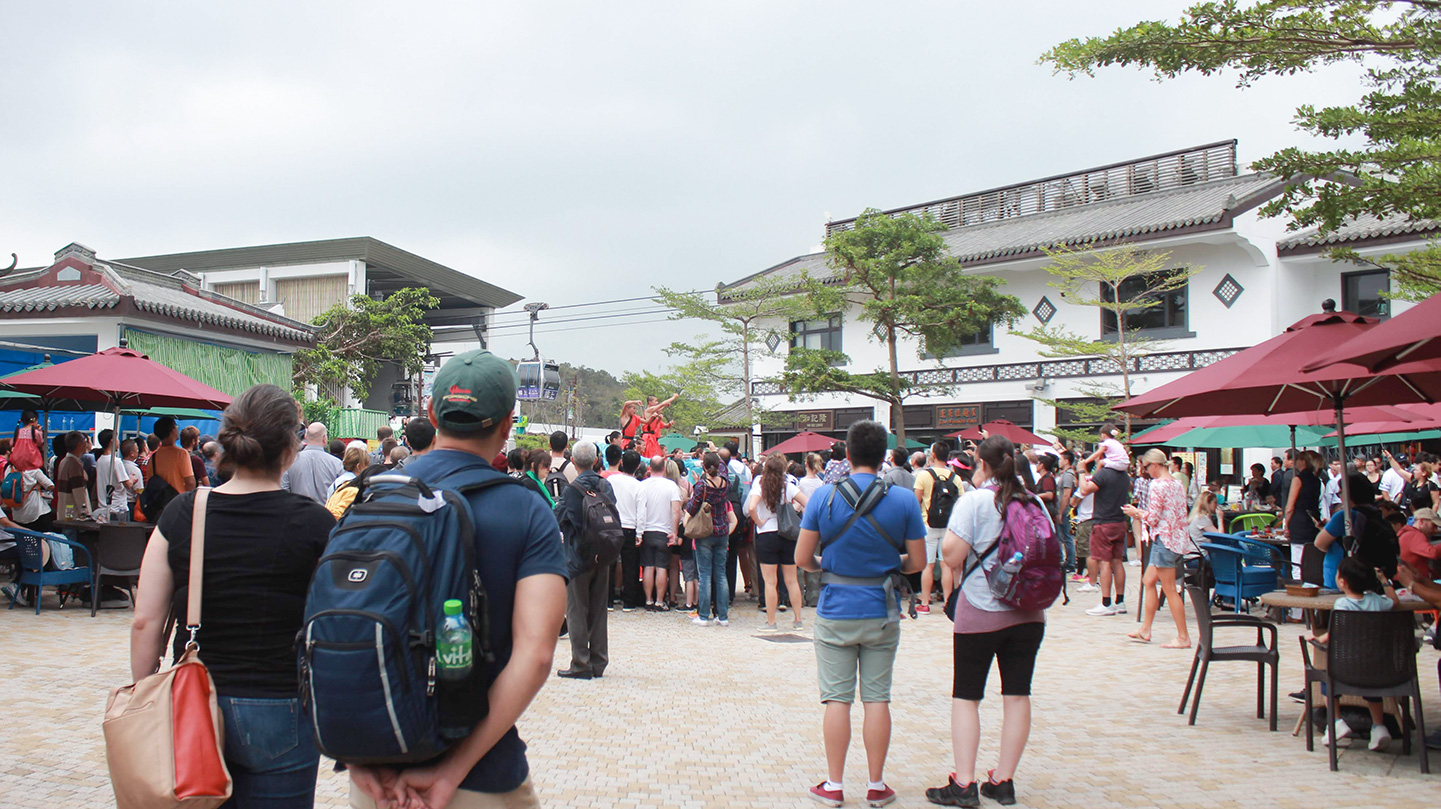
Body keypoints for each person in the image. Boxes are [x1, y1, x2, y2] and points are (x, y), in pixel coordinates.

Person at [351, 349, 568, 809]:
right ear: (507, 424)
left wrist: (357, 757)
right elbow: (536, 654)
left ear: (431, 413)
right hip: (481, 778)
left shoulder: (374, 495)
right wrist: (451, 771)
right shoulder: (528, 509)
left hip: (378, 776)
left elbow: (339, 623)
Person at [129, 384, 335, 807]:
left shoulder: (183, 512)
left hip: (193, 701)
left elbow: (145, 620)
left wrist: (143, 694)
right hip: (283, 706)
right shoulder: (315, 523)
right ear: (290, 450)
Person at [795, 420, 926, 809]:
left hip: (836, 608)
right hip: (881, 610)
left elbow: (803, 559)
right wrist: (887, 562)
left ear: (847, 455)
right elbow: (916, 562)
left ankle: (834, 786)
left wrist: (828, 566)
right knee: (877, 698)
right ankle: (876, 785)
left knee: (836, 699)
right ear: (883, 455)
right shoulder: (902, 499)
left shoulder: (823, 497)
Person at [927, 435, 1048, 808]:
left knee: (967, 695)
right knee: (1017, 694)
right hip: (1029, 611)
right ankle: (1004, 780)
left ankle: (964, 783)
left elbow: (951, 555)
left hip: (980, 609)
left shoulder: (975, 501)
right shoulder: (1034, 500)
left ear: (982, 463)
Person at [1313, 557, 1401, 752]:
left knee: (1327, 682)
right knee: (1371, 689)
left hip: (1346, 669)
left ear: (1342, 582)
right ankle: (1379, 727)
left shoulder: (1342, 604)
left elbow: (1341, 630)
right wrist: (1385, 581)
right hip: (1377, 668)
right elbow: (1394, 601)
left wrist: (1322, 638)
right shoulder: (1377, 601)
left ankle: (1336, 723)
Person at [1121, 449, 1193, 648]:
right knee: (1148, 580)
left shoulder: (1157, 485)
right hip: (1176, 539)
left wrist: (1136, 513)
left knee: (1169, 589)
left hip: (1165, 540)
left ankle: (1183, 637)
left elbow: (1153, 518)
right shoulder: (1177, 483)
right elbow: (1170, 513)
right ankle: (1145, 629)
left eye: (1145, 467)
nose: (1145, 471)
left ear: (1154, 465)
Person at [556, 441, 615, 680]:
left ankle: (580, 663)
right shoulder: (605, 485)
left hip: (578, 555)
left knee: (577, 609)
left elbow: (562, 519)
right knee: (599, 609)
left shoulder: (571, 490)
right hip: (604, 553)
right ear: (595, 460)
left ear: (573, 461)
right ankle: (599, 661)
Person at [747, 454, 810, 631]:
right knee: (791, 580)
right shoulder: (787, 486)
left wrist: (759, 522)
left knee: (769, 581)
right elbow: (808, 502)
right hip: (787, 533)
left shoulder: (760, 484)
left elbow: (752, 507)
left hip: (767, 533)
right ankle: (798, 620)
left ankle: (772, 622)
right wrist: (794, 512)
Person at [685, 452, 736, 625]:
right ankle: (723, 616)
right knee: (721, 574)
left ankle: (704, 614)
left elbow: (692, 507)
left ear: (704, 467)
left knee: (705, 574)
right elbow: (723, 468)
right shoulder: (725, 483)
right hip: (722, 530)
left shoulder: (701, 486)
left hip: (705, 532)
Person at [1077, 451, 1129, 616]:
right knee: (1117, 561)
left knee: (1104, 563)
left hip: (1103, 523)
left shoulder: (1105, 475)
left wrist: (1081, 471)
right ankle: (1120, 601)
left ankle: (1106, 603)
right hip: (1120, 522)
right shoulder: (1124, 475)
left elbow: (1084, 490)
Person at [914, 442, 960, 615]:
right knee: (946, 565)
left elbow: (916, 499)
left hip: (928, 525)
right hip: (949, 526)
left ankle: (925, 602)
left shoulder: (924, 475)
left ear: (932, 455)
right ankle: (948, 602)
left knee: (928, 565)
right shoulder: (954, 477)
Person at [635, 456, 682, 611]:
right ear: (664, 468)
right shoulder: (672, 486)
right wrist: (674, 532)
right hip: (664, 531)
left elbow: (640, 509)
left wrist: (639, 532)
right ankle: (660, 601)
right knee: (662, 566)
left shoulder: (642, 485)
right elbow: (676, 511)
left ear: (650, 468)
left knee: (648, 566)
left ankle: (648, 600)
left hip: (647, 530)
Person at [608, 450, 644, 611]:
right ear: (637, 467)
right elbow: (641, 512)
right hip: (630, 527)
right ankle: (629, 601)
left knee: (610, 564)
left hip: (612, 525)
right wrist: (640, 533)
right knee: (630, 565)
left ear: (622, 463)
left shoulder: (611, 480)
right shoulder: (639, 486)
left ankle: (608, 600)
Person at [1283, 451, 1324, 584]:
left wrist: (1286, 523)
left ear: (1304, 462)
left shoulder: (1297, 479)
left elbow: (1290, 506)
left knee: (1297, 560)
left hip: (1298, 520)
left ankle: (1299, 590)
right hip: (1312, 519)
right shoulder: (1317, 480)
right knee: (1310, 560)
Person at [280, 422, 344, 503]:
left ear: (306, 437)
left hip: (297, 512)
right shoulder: (336, 464)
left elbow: (283, 490)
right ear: (324, 438)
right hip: (326, 513)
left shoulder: (290, 461)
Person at [54, 431, 92, 520]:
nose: (86, 444)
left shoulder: (64, 461)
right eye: (85, 441)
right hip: (73, 514)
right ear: (79, 444)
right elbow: (79, 492)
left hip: (65, 509)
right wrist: (84, 512)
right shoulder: (74, 464)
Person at [1398, 507, 1441, 577]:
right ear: (1421, 521)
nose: (1435, 530)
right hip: (1413, 582)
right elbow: (1432, 553)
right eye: (1433, 525)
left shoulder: (1408, 533)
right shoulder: (1414, 535)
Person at [1055, 452, 1078, 577]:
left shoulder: (1068, 475)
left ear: (1067, 461)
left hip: (1065, 510)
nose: (1059, 462)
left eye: (1061, 459)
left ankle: (1070, 563)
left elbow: (1066, 494)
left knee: (1066, 536)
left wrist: (1061, 511)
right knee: (1064, 536)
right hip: (1063, 509)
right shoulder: (1065, 474)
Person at [638, 394, 679, 459]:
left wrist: (665, 405)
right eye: (655, 401)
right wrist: (673, 398)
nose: (657, 403)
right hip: (648, 437)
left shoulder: (653, 413)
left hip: (653, 437)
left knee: (656, 455)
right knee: (649, 456)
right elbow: (662, 405)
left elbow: (661, 407)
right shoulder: (649, 410)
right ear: (650, 402)